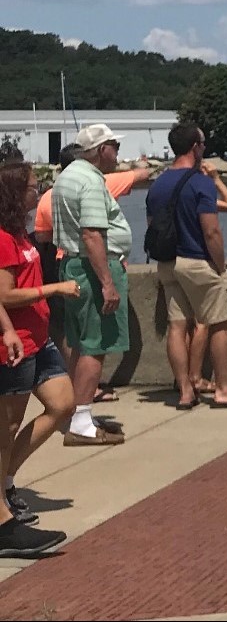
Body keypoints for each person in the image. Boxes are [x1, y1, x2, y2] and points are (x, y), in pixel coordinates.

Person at [146, 123, 227, 411]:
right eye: (203, 143)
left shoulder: (157, 185)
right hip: (197, 261)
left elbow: (152, 228)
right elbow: (211, 232)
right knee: (220, 322)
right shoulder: (200, 182)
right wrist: (218, 267)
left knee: (176, 326)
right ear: (195, 147)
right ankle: (224, 389)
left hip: (167, 263)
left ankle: (184, 390)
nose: (204, 148)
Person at [0, 161, 72, 556]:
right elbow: (4, 295)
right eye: (32, 186)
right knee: (6, 427)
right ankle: (2, 511)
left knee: (63, 405)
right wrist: (53, 288)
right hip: (18, 343)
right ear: (14, 193)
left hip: (39, 340)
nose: (37, 190)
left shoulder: (19, 233)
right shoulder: (3, 238)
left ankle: (7, 479)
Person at [50, 125, 130, 446]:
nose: (117, 152)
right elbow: (92, 234)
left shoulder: (66, 176)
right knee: (96, 344)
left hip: (71, 265)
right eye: (113, 146)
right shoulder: (91, 181)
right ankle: (82, 420)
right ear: (100, 150)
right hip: (92, 267)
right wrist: (107, 283)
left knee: (80, 340)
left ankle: (75, 414)